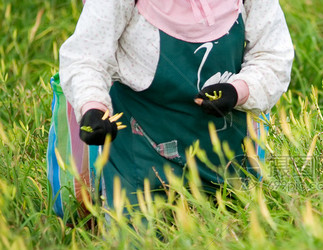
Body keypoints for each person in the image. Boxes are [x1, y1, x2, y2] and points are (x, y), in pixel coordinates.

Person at [59, 0, 294, 211]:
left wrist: (238, 90)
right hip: (141, 164)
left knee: (233, 248)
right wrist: (93, 107)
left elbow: (273, 56)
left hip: (227, 162)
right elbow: (87, 57)